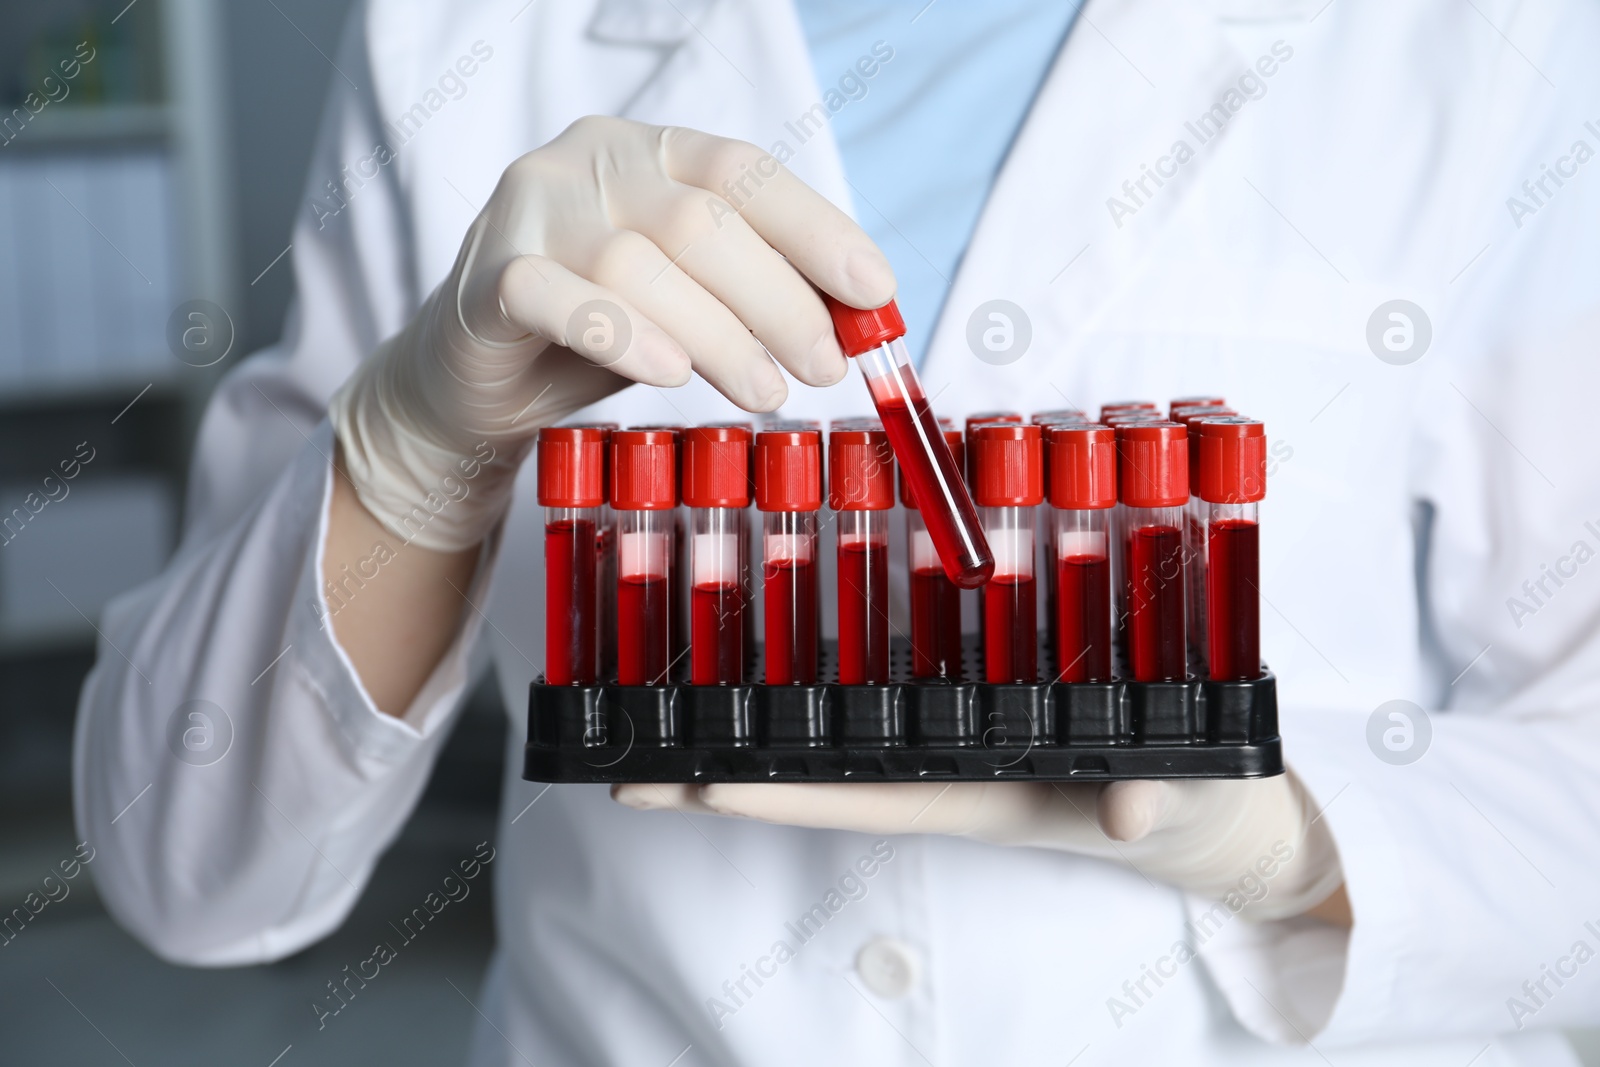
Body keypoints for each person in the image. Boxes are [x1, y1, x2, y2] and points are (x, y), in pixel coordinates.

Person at [75, 0, 1600, 1062]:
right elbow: (190, 867)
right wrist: (412, 449)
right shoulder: (474, 29)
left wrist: (1289, 846)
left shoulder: (1482, 38)